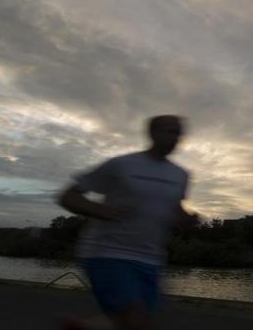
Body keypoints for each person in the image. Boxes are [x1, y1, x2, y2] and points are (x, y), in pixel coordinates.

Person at [57, 115, 198, 330]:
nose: (174, 138)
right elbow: (68, 196)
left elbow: (174, 210)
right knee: (135, 318)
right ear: (152, 133)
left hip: (151, 259)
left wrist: (186, 219)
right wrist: (100, 210)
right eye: (169, 131)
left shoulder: (181, 175)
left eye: (178, 133)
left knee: (127, 321)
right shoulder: (122, 165)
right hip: (108, 252)